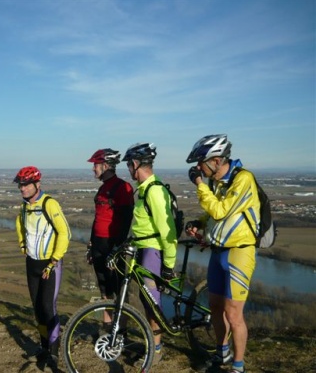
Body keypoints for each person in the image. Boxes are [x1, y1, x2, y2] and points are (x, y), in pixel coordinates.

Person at [185, 134, 259, 373]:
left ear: (216, 160)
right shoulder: (218, 183)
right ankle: (222, 352)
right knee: (215, 306)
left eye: (200, 162)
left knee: (234, 313)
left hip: (239, 252)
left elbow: (220, 211)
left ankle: (238, 366)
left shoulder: (243, 179)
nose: (198, 168)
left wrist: (199, 185)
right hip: (218, 252)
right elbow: (214, 217)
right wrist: (199, 223)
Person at [118, 142, 178, 365]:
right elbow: (144, 225)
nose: (128, 169)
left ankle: (157, 349)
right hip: (142, 249)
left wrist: (169, 265)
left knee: (152, 301)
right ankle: (155, 344)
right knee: (146, 299)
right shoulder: (144, 191)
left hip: (152, 252)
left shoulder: (154, 191)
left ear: (135, 164)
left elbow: (167, 231)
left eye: (128, 165)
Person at [14, 166, 71, 372]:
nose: (22, 188)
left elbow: (65, 233)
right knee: (37, 308)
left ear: (37, 184)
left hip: (50, 264)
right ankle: (44, 346)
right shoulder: (24, 207)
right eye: (20, 185)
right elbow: (19, 224)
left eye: (26, 184)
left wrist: (55, 259)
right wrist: (22, 244)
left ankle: (54, 352)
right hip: (32, 263)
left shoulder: (49, 204)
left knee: (48, 307)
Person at [86, 148, 134, 328]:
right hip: (99, 243)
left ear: (106, 165)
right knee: (104, 288)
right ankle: (107, 327)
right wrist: (91, 245)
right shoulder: (102, 188)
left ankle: (121, 329)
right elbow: (97, 218)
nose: (93, 169)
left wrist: (117, 247)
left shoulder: (123, 187)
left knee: (119, 289)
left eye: (96, 165)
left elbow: (126, 220)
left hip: (113, 244)